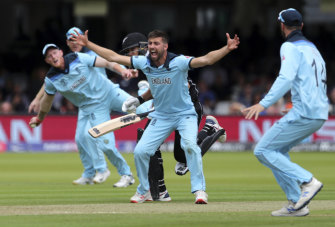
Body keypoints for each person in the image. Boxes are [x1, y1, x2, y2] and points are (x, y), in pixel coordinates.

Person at [72, 29, 239, 204]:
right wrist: (88, 44)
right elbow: (113, 57)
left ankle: (199, 191)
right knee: (140, 151)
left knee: (188, 147)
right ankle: (145, 191)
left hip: (185, 114)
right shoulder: (144, 63)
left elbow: (206, 60)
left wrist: (227, 48)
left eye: (156, 43)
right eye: (150, 43)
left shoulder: (178, 62)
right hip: (162, 115)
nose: (152, 47)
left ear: (165, 46)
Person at [120, 32, 227, 202]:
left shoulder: (167, 58)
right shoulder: (146, 63)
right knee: (144, 148)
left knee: (182, 155)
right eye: (127, 52)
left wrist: (151, 100)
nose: (129, 55)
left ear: (142, 46)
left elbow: (172, 84)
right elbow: (158, 88)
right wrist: (140, 100)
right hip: (164, 111)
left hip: (187, 106)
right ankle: (157, 191)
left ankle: (210, 130)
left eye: (131, 50)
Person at [241, 8, 327, 217]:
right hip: (319, 111)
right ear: (302, 26)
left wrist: (263, 103)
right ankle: (297, 203)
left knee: (262, 151)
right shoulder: (312, 48)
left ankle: (307, 181)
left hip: (305, 111)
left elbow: (286, 78)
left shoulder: (289, 46)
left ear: (281, 25)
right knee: (277, 152)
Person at [29, 42, 139, 188]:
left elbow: (107, 62)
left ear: (61, 52)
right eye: (49, 56)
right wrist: (39, 118)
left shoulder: (77, 57)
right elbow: (47, 102)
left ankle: (158, 103)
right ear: (47, 61)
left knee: (142, 109)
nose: (53, 57)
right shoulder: (51, 79)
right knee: (106, 146)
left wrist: (122, 71)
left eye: (54, 53)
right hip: (94, 108)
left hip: (110, 92)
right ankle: (126, 174)